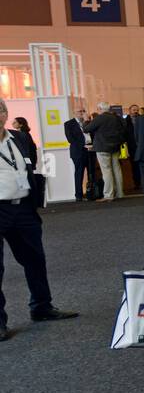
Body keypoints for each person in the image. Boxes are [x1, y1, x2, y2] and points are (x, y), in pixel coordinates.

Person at [0, 99, 79, 342]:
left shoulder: (19, 138)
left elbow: (31, 164)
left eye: (0, 111)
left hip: (22, 208)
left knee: (35, 259)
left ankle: (42, 307)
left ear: (4, 114)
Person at [84, 102, 126, 202]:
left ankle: (108, 195)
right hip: (115, 146)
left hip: (102, 147)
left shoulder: (99, 118)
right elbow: (123, 130)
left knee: (106, 171)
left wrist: (86, 120)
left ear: (99, 108)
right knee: (117, 169)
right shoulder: (116, 118)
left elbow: (86, 129)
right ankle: (120, 193)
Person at [63, 109, 92, 202]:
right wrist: (83, 145)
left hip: (91, 150)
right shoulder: (69, 124)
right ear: (74, 113)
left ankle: (91, 193)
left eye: (83, 111)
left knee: (92, 173)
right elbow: (70, 139)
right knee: (79, 173)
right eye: (79, 111)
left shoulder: (89, 122)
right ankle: (78, 195)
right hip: (78, 151)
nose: (82, 113)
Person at [125, 104, 142, 194]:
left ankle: (143, 182)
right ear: (130, 111)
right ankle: (137, 183)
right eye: (133, 110)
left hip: (142, 145)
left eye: (136, 109)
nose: (135, 111)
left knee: (142, 164)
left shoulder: (142, 119)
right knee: (134, 165)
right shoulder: (125, 121)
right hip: (131, 146)